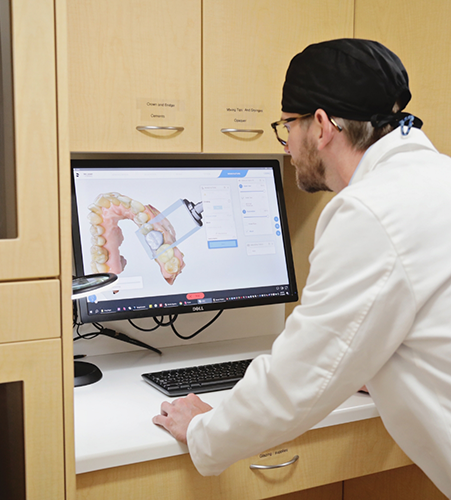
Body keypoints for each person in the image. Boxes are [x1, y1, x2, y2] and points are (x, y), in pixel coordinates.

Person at [153, 38, 451, 497]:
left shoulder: (370, 210)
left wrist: (202, 431)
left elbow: (296, 383)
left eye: (287, 125)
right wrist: (370, 367)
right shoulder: (438, 179)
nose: (287, 144)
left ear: (321, 125)